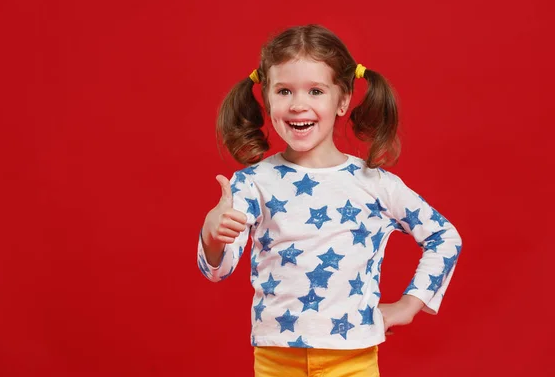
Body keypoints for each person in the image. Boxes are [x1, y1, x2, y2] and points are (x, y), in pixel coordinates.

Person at [196, 24, 462, 377]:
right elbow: (219, 269)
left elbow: (444, 238)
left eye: (316, 91)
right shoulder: (251, 183)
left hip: (353, 359)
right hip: (277, 360)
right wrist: (212, 234)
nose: (298, 105)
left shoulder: (374, 183)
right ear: (267, 99)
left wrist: (410, 305)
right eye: (285, 91)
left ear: (344, 100)